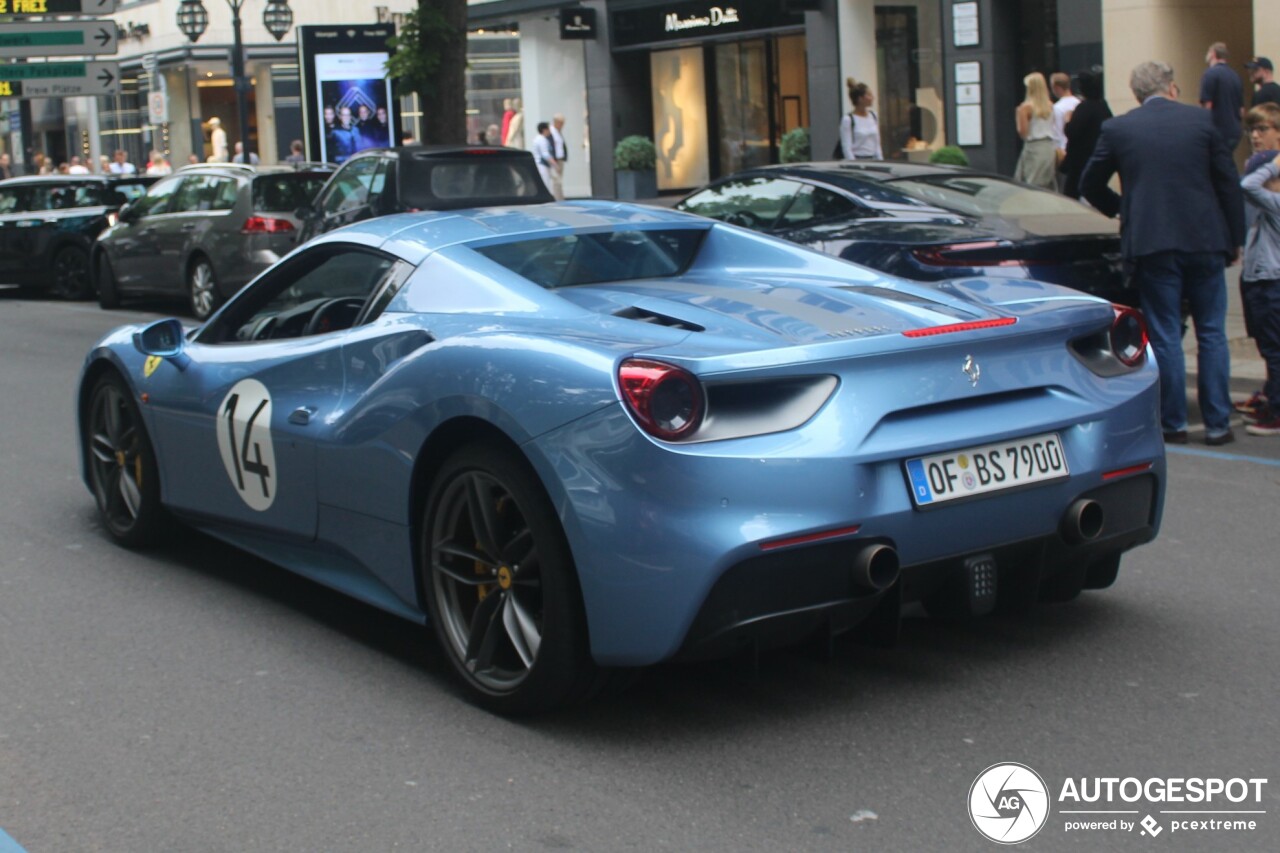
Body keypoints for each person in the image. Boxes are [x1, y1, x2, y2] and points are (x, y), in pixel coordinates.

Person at [1082, 59, 1245, 446]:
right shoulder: (1202, 123)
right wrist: (1234, 238)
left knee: (1167, 333)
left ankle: (1173, 423)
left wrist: (1122, 207)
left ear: (1138, 93)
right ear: (1171, 87)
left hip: (1153, 241)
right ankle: (1218, 423)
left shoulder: (1119, 128)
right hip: (1205, 238)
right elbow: (1227, 183)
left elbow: (1089, 182)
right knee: (1211, 332)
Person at [1238, 135, 1280, 436]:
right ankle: (1272, 401)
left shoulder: (1276, 203)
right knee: (1270, 348)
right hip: (1261, 281)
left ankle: (1277, 411)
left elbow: (1248, 185)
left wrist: (1273, 165)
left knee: (1275, 349)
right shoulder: (1269, 208)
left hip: (1270, 283)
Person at [1061, 69, 1113, 199]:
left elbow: (1072, 132)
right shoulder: (1103, 106)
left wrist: (1067, 121)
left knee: (1072, 192)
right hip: (1098, 155)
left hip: (1080, 159)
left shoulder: (1084, 108)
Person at [1013, 72, 1057, 190]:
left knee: (1030, 183)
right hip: (1048, 147)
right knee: (1047, 183)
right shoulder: (1050, 106)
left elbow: (1023, 131)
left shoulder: (1024, 108)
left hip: (1033, 147)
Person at [1200, 42, 1244, 152]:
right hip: (1234, 132)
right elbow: (1241, 110)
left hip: (1218, 131)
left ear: (1213, 54)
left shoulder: (1210, 74)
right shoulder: (1235, 76)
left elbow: (1207, 106)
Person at [839, 78, 882, 160]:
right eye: (869, 95)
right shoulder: (848, 120)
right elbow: (847, 148)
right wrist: (854, 165)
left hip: (873, 159)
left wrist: (880, 160)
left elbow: (877, 143)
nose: (872, 97)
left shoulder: (873, 116)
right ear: (860, 98)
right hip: (858, 159)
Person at [1050, 71, 1081, 160]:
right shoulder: (1079, 103)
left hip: (1063, 150)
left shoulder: (1057, 108)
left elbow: (1057, 133)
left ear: (1056, 87)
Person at [532, 121, 556, 194]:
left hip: (541, 165)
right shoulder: (542, 140)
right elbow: (545, 154)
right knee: (546, 184)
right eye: (548, 129)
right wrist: (554, 163)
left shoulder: (538, 139)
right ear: (544, 130)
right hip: (542, 165)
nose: (550, 131)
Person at [549, 113, 568, 200]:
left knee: (559, 179)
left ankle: (560, 197)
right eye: (561, 123)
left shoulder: (558, 132)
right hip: (555, 160)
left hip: (560, 159)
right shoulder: (551, 132)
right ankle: (558, 198)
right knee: (556, 180)